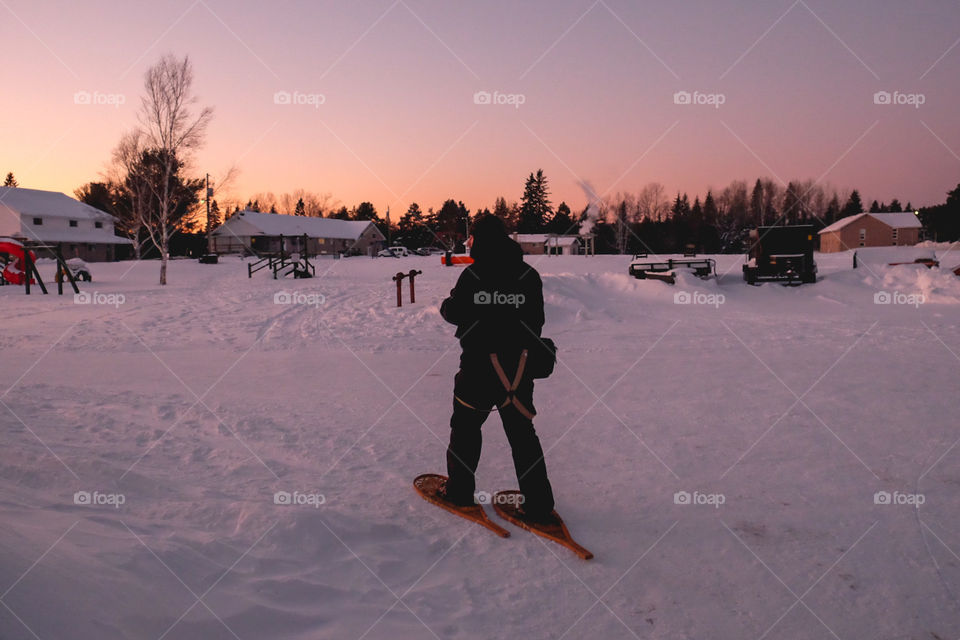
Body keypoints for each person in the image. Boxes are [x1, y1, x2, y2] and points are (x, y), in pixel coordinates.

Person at [439, 214, 556, 522]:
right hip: (518, 370)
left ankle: (459, 492)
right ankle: (539, 505)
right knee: (523, 436)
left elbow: (454, 312)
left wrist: (450, 307)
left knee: (465, 431)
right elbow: (536, 322)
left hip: (477, 370)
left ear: (480, 240)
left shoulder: (472, 276)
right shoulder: (528, 276)